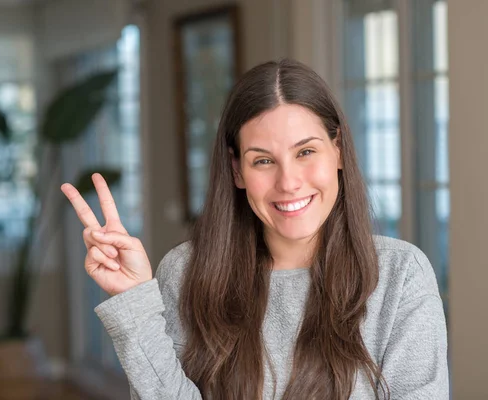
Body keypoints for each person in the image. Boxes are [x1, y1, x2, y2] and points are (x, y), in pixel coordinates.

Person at [60, 58, 449, 400]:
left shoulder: (400, 276)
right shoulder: (186, 272)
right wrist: (136, 305)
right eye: (263, 161)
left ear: (339, 151)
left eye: (306, 152)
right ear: (237, 171)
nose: (289, 182)